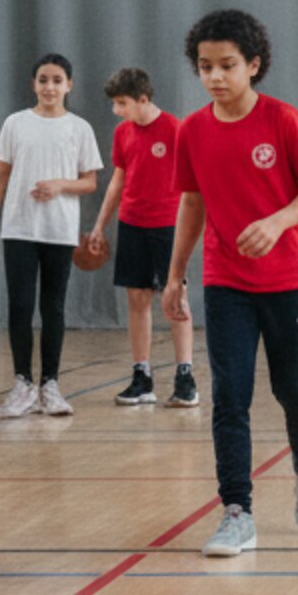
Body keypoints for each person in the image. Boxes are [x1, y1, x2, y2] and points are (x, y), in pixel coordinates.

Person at [162, 8, 298, 558]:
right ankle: (236, 511)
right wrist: (174, 276)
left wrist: (278, 222)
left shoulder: (282, 119)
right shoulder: (192, 130)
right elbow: (191, 203)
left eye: (227, 65)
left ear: (253, 65)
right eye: (205, 66)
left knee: (295, 390)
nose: (215, 76)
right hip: (226, 280)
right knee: (230, 396)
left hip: (288, 278)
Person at [0, 55, 102, 419]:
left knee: (53, 307)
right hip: (19, 228)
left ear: (69, 85)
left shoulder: (79, 128)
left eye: (57, 80)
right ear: (33, 84)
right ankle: (22, 383)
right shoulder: (16, 123)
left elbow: (90, 182)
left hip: (59, 230)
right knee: (20, 305)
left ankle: (50, 384)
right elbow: (0, 177)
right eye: (43, 80)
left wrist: (59, 185)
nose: (50, 87)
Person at [85, 66, 198, 408]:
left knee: (176, 299)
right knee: (137, 299)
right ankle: (142, 376)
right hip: (132, 223)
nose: (116, 110)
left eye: (122, 103)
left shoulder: (176, 129)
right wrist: (99, 226)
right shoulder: (123, 133)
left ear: (143, 99)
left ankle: (185, 377)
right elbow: (118, 181)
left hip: (168, 226)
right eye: (114, 103)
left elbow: (195, 185)